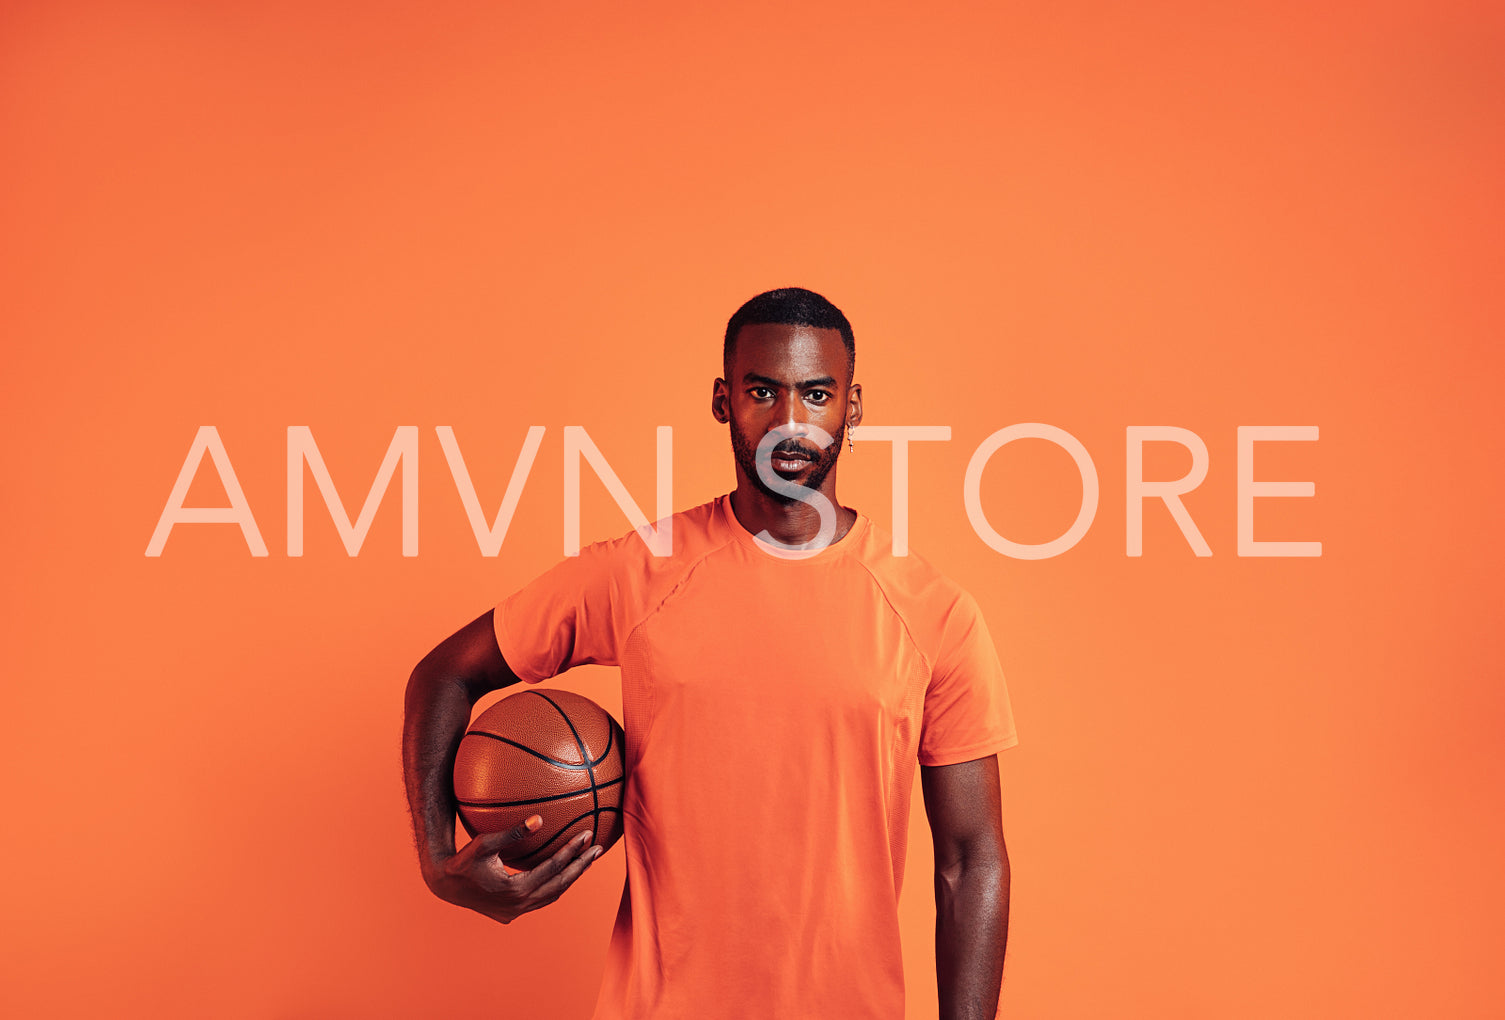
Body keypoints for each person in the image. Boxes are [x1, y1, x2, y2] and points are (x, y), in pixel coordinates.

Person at [403, 287, 1018, 1020]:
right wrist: (439, 863)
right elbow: (445, 672)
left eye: (816, 394)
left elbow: (970, 860)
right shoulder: (640, 573)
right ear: (723, 401)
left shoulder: (932, 612)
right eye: (763, 391)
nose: (789, 422)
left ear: (852, 408)